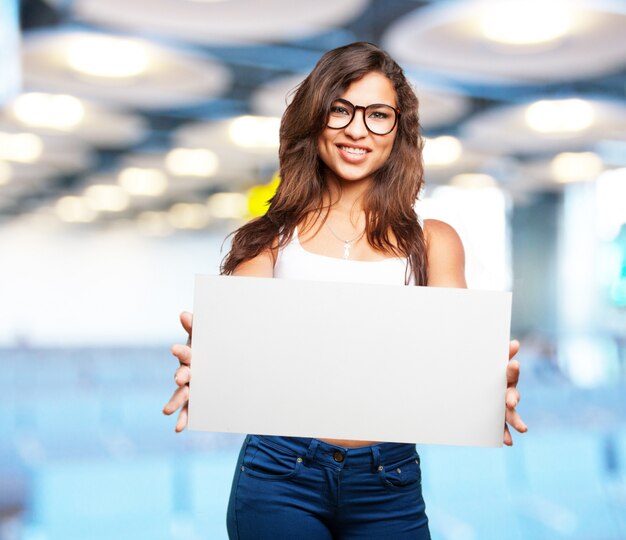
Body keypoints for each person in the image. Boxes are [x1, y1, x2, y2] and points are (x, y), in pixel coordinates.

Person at [163, 41, 527, 539]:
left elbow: (458, 366)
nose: (358, 129)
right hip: (279, 473)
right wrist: (206, 366)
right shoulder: (268, 239)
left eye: (378, 114)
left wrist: (490, 387)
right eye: (341, 110)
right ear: (315, 120)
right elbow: (236, 357)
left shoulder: (434, 242)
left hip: (389, 478)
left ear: (398, 130)